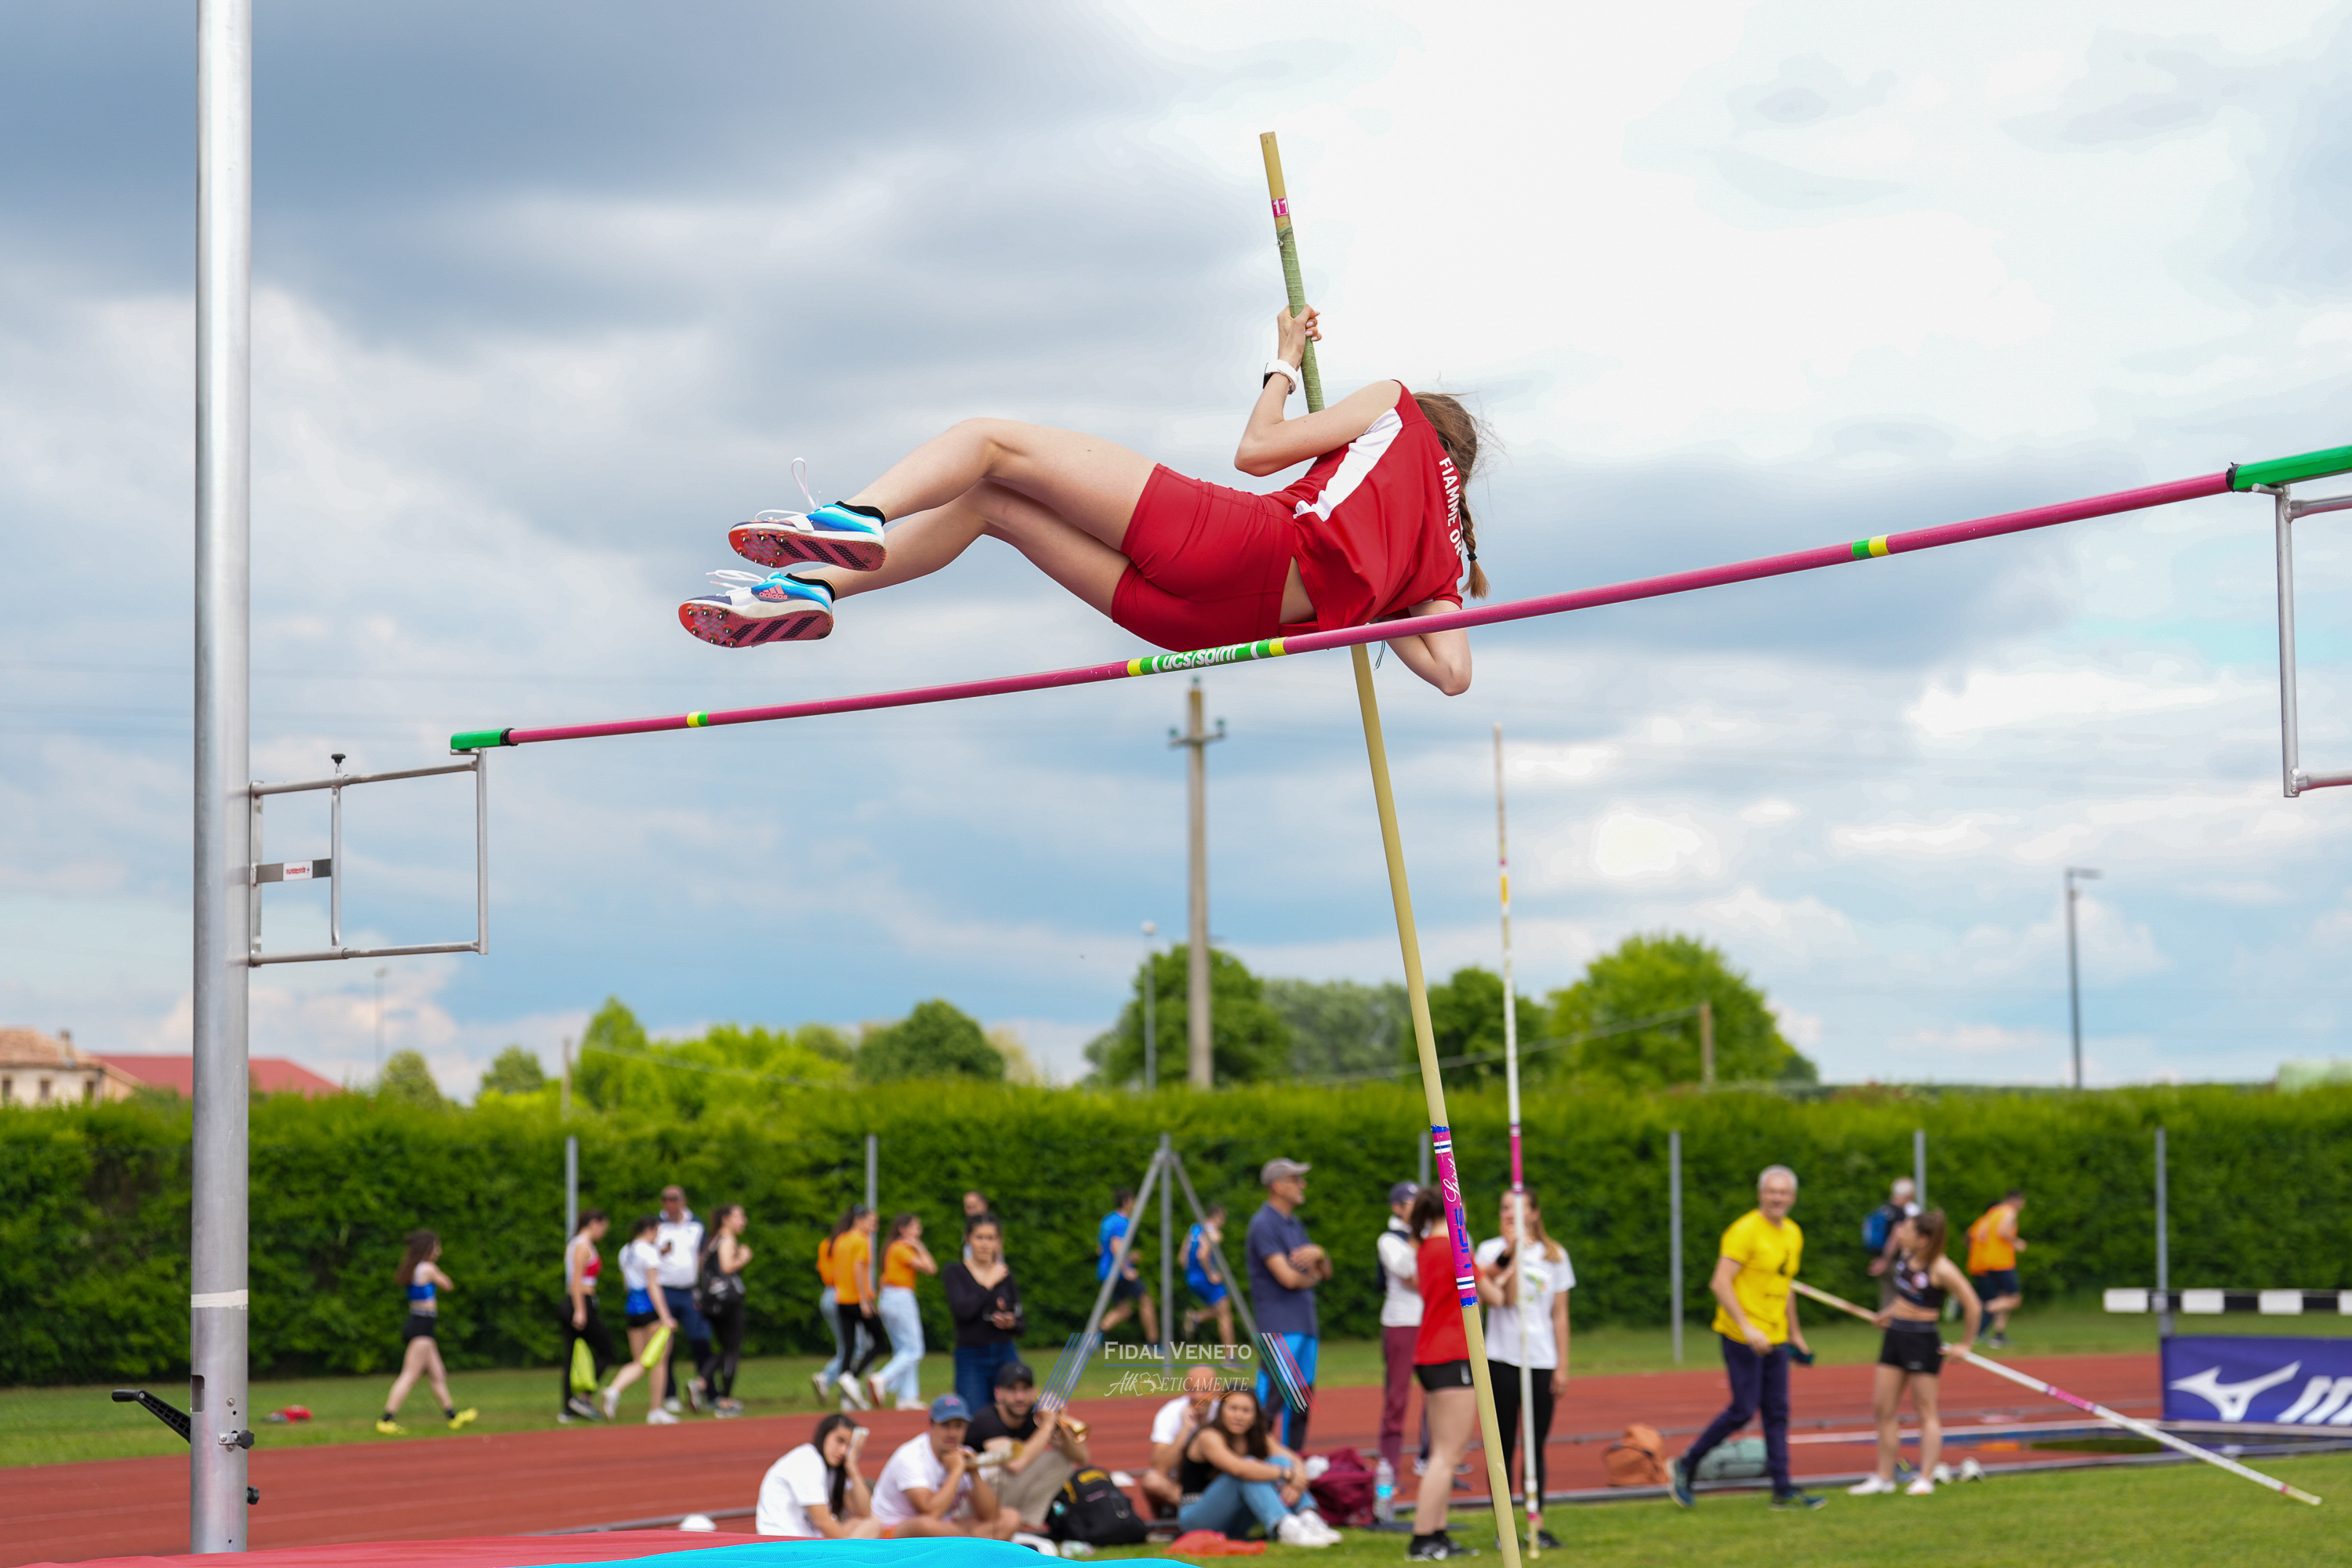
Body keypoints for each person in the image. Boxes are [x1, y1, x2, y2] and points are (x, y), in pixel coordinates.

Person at [678, 305, 1483, 704]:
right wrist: (1376, 601)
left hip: (1240, 546)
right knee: (990, 503)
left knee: (991, 442)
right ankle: (809, 591)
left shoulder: (1396, 406)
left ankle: (855, 516)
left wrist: (1282, 361)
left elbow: (1258, 450)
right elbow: (1452, 675)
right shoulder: (1443, 564)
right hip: (1204, 625)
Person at [1669, 1166, 1820, 1512]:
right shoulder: (1744, 1231)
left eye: (1783, 1192)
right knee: (1742, 1410)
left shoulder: (1793, 1233)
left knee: (1777, 1412)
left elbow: (1786, 1287)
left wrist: (1795, 1334)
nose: (1777, 1198)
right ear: (1761, 1194)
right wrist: (1748, 1327)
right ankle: (1687, 1464)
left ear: (1793, 1197)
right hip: (1741, 1335)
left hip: (1776, 1337)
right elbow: (1720, 1282)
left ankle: (1782, 1489)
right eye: (1772, 1191)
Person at [1849, 1211, 1984, 1497]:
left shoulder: (1942, 1268)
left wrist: (1966, 1344)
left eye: (1907, 1230)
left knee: (1925, 1411)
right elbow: (1906, 1296)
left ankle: (1925, 1478)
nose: (1900, 1233)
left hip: (1921, 1340)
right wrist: (1888, 1314)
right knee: (1883, 1408)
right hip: (1895, 1336)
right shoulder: (1905, 1257)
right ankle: (1884, 1478)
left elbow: (1973, 1305)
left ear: (1924, 1239)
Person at [1477, 1191, 1573, 1550]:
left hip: (1541, 1360)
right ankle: (1504, 1530)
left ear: (1534, 1213)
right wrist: (1512, 1250)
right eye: (1504, 1208)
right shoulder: (1489, 1251)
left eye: (1517, 1208)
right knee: (1501, 1447)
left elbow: (1560, 1314)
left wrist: (1562, 1364)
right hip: (1501, 1359)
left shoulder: (1554, 1255)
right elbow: (1501, 1299)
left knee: (1535, 1446)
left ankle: (1537, 1524)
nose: (1509, 1214)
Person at [1175, 1385, 1339, 1547]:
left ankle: (1309, 1517)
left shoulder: (1257, 1436)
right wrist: (1288, 1475)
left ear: (1255, 1416)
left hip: (1235, 1520)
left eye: (1246, 1411)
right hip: (1196, 1518)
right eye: (1233, 1408)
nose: (1238, 1416)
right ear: (1221, 1411)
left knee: (1279, 1461)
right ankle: (1286, 1527)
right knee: (1249, 1468)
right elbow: (1238, 1469)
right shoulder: (1208, 1436)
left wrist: (1297, 1479)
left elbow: (1292, 1459)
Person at [1405, 1188, 1476, 1559]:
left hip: (1432, 1351)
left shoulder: (1425, 1248)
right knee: (1448, 1455)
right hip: (1452, 1354)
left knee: (1444, 1452)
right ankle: (1422, 1538)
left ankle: (1437, 1532)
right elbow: (1484, 1289)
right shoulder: (1453, 1247)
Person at [1247, 1158, 1328, 1450]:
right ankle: (1254, 1460)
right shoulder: (1264, 1224)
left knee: (1301, 1400)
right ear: (1278, 1186)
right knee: (1272, 1399)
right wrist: (1313, 1275)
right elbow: (1288, 1278)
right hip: (1279, 1326)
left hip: (1304, 1325)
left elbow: (1323, 1270)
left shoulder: (1294, 1224)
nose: (1302, 1185)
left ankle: (1293, 1461)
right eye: (1296, 1179)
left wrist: (1319, 1253)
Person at [964, 1359, 1092, 1530]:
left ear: (1034, 1392)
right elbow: (1015, 1464)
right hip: (971, 1499)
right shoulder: (986, 1420)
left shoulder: (1036, 1417)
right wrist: (1048, 1425)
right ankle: (1003, 1524)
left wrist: (1060, 1421)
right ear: (998, 1393)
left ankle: (1024, 1524)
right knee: (1001, 1470)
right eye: (1012, 1390)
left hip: (1003, 1493)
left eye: (1025, 1389)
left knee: (1061, 1461)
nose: (1020, 1397)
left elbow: (1082, 1457)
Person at [869, 1393, 1020, 1540]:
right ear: (932, 1425)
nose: (952, 1433)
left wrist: (974, 1472)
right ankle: (972, 1546)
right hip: (891, 1531)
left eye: (959, 1426)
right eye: (945, 1426)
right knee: (925, 1525)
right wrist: (956, 1471)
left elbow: (991, 1515)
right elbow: (931, 1513)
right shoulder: (910, 1456)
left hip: (945, 1529)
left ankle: (967, 1545)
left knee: (1010, 1517)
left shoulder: (965, 1454)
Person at [376, 1230, 478, 1434]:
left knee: (438, 1373)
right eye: (436, 1247)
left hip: (420, 1324)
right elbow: (448, 1285)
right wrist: (437, 1272)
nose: (439, 1251)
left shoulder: (414, 1268)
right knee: (409, 1375)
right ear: (427, 1248)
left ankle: (453, 1416)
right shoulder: (427, 1268)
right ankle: (386, 1419)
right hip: (422, 1327)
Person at [943, 1214, 1025, 1415]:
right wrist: (987, 1283)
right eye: (979, 1237)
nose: (985, 1244)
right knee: (975, 1417)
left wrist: (1010, 1322)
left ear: (999, 1241)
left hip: (1005, 1353)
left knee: (1017, 1413)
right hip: (971, 1357)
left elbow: (1021, 1325)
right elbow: (963, 1312)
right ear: (968, 1238)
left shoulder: (1004, 1274)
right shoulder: (955, 1272)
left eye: (991, 1238)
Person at [601, 1214, 680, 1424]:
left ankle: (614, 1390)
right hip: (650, 1310)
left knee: (639, 1361)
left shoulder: (625, 1251)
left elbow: (627, 1284)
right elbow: (653, 1286)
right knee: (659, 1361)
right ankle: (655, 1409)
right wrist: (666, 1316)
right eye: (657, 1232)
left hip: (632, 1310)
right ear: (650, 1230)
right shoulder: (649, 1252)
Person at [758, 1412, 884, 1538]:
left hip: (805, 1539)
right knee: (868, 1528)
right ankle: (847, 1551)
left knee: (871, 1523)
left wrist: (852, 1467)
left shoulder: (832, 1470)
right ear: (824, 1435)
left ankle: (847, 1550)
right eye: (840, 1441)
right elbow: (822, 1522)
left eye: (849, 1446)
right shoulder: (807, 1459)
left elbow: (865, 1512)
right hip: (783, 1542)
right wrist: (847, 1546)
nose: (843, 1451)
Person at [1374, 1179, 1421, 1501]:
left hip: (1431, 1323)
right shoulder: (1389, 1239)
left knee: (1440, 1397)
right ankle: (1388, 1470)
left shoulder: (1428, 1235)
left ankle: (1432, 1463)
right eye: (1411, 1205)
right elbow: (1409, 1274)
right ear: (1397, 1208)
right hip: (1402, 1323)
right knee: (1397, 1398)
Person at [871, 1212, 938, 1409]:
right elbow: (931, 1268)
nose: (919, 1231)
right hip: (900, 1297)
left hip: (889, 1297)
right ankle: (882, 1378)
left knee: (903, 1349)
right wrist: (920, 1247)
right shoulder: (901, 1248)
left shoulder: (892, 1248)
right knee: (915, 1349)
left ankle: (907, 1396)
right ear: (903, 1229)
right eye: (916, 1227)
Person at [655, 1185, 712, 1414]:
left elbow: (703, 1255)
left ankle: (706, 1390)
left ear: (683, 1200)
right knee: (666, 1345)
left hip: (689, 1291)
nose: (670, 1203)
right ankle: (669, 1394)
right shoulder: (657, 1225)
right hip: (665, 1291)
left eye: (674, 1199)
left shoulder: (696, 1225)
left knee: (701, 1340)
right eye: (666, 1199)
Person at [1140, 1365, 1222, 1517]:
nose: (1198, 1396)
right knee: (1152, 1481)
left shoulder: (1225, 1412)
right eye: (1192, 1390)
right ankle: (1198, 1510)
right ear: (1185, 1390)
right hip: (1180, 1485)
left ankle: (1203, 1509)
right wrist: (1186, 1429)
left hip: (1215, 1482)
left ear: (1217, 1390)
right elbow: (1160, 1468)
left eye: (1205, 1390)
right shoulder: (1171, 1412)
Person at [699, 1204, 752, 1417]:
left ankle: (700, 1382)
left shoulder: (712, 1240)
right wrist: (743, 1257)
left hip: (712, 1302)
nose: (743, 1221)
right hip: (726, 1303)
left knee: (726, 1348)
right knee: (732, 1350)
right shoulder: (727, 1239)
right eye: (739, 1217)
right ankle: (725, 1400)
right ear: (726, 1219)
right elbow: (727, 1267)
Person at [561, 1210, 613, 1423]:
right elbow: (576, 1280)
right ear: (594, 1223)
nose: (603, 1232)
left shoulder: (577, 1243)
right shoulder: (582, 1245)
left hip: (578, 1302)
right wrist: (580, 1310)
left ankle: (569, 1407)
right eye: (603, 1227)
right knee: (606, 1351)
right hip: (580, 1302)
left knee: (572, 1355)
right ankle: (582, 1398)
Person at [835, 1206, 888, 1410]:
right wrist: (865, 1300)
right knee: (880, 1342)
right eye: (871, 1222)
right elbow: (858, 1269)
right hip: (857, 1299)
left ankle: (846, 1396)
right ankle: (852, 1378)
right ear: (859, 1220)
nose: (874, 1226)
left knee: (848, 1346)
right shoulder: (861, 1240)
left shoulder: (841, 1239)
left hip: (842, 1298)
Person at [1097, 1188, 1162, 1345]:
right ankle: (1154, 1343)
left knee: (1124, 1310)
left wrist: (1129, 1256)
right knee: (1146, 1301)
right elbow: (1115, 1248)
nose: (1135, 1204)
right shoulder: (1122, 1221)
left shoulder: (1107, 1220)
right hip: (1119, 1272)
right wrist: (1126, 1269)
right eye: (1133, 1201)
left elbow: (1101, 1249)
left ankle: (1096, 1334)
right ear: (1126, 1202)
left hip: (1106, 1271)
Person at [1967, 1189, 2027, 1349]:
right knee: (2014, 1300)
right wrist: (2017, 1242)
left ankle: (1999, 1335)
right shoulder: (2009, 1212)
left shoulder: (1993, 1213)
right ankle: (1982, 1309)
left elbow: (1974, 1235)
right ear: (2015, 1200)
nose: (2023, 1205)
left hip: (1988, 1261)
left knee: (2003, 1297)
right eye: (2022, 1201)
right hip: (2002, 1262)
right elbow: (2003, 1232)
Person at [813, 1207, 856, 1406]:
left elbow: (821, 1268)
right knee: (855, 1347)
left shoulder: (827, 1243)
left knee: (845, 1346)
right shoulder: (849, 1243)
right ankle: (830, 1378)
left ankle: (835, 1382)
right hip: (844, 1294)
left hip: (828, 1294)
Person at [1180, 1203, 1235, 1348]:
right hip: (1205, 1277)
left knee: (1220, 1310)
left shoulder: (1195, 1228)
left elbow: (1182, 1258)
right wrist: (1211, 1274)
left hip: (1192, 1278)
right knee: (1225, 1314)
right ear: (1217, 1216)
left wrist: (1191, 1274)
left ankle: (1196, 1318)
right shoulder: (1213, 1232)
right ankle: (1229, 1356)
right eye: (1223, 1218)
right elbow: (1202, 1254)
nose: (1223, 1222)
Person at [1865, 1178, 1921, 1310]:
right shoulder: (1899, 1213)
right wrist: (1885, 1261)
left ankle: (1885, 1322)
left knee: (1887, 1298)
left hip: (1879, 1259)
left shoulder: (1883, 1209)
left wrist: (1879, 1260)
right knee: (1904, 1298)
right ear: (1908, 1195)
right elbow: (1895, 1237)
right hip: (1894, 1262)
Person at [959, 1192, 1000, 1265]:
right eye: (967, 1207)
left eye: (973, 1206)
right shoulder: (968, 1226)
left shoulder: (991, 1226)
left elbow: (996, 1256)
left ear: (984, 1205)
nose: (970, 1211)